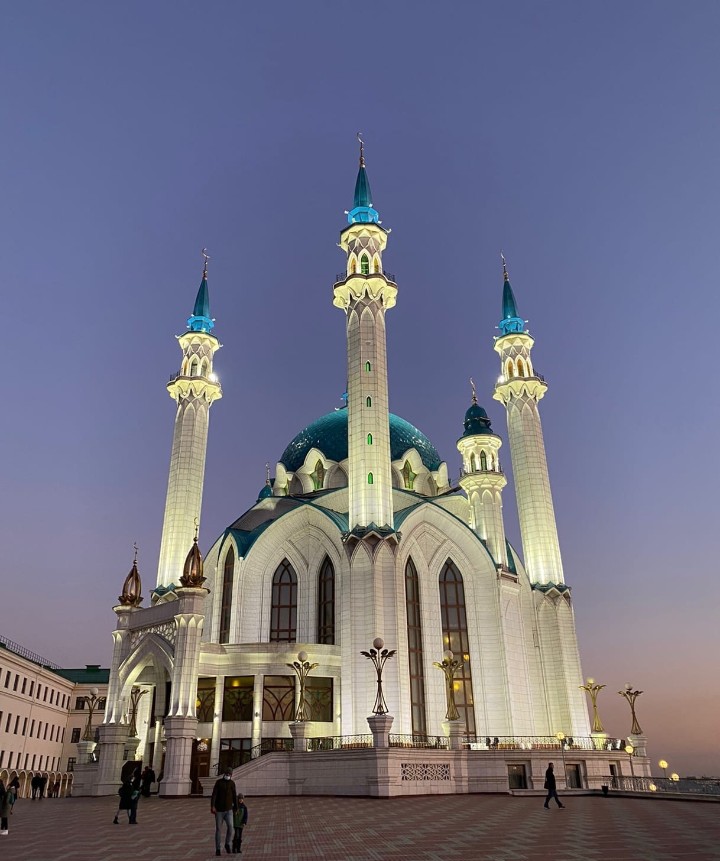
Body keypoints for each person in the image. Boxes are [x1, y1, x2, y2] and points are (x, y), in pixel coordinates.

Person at [210, 768, 238, 857]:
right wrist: (212, 806)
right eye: (227, 773)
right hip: (219, 810)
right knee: (218, 829)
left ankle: (227, 844)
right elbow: (214, 794)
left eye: (230, 774)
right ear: (224, 774)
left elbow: (234, 796)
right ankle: (218, 848)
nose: (228, 775)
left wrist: (236, 808)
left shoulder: (232, 783)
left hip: (229, 810)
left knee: (231, 827)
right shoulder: (219, 782)